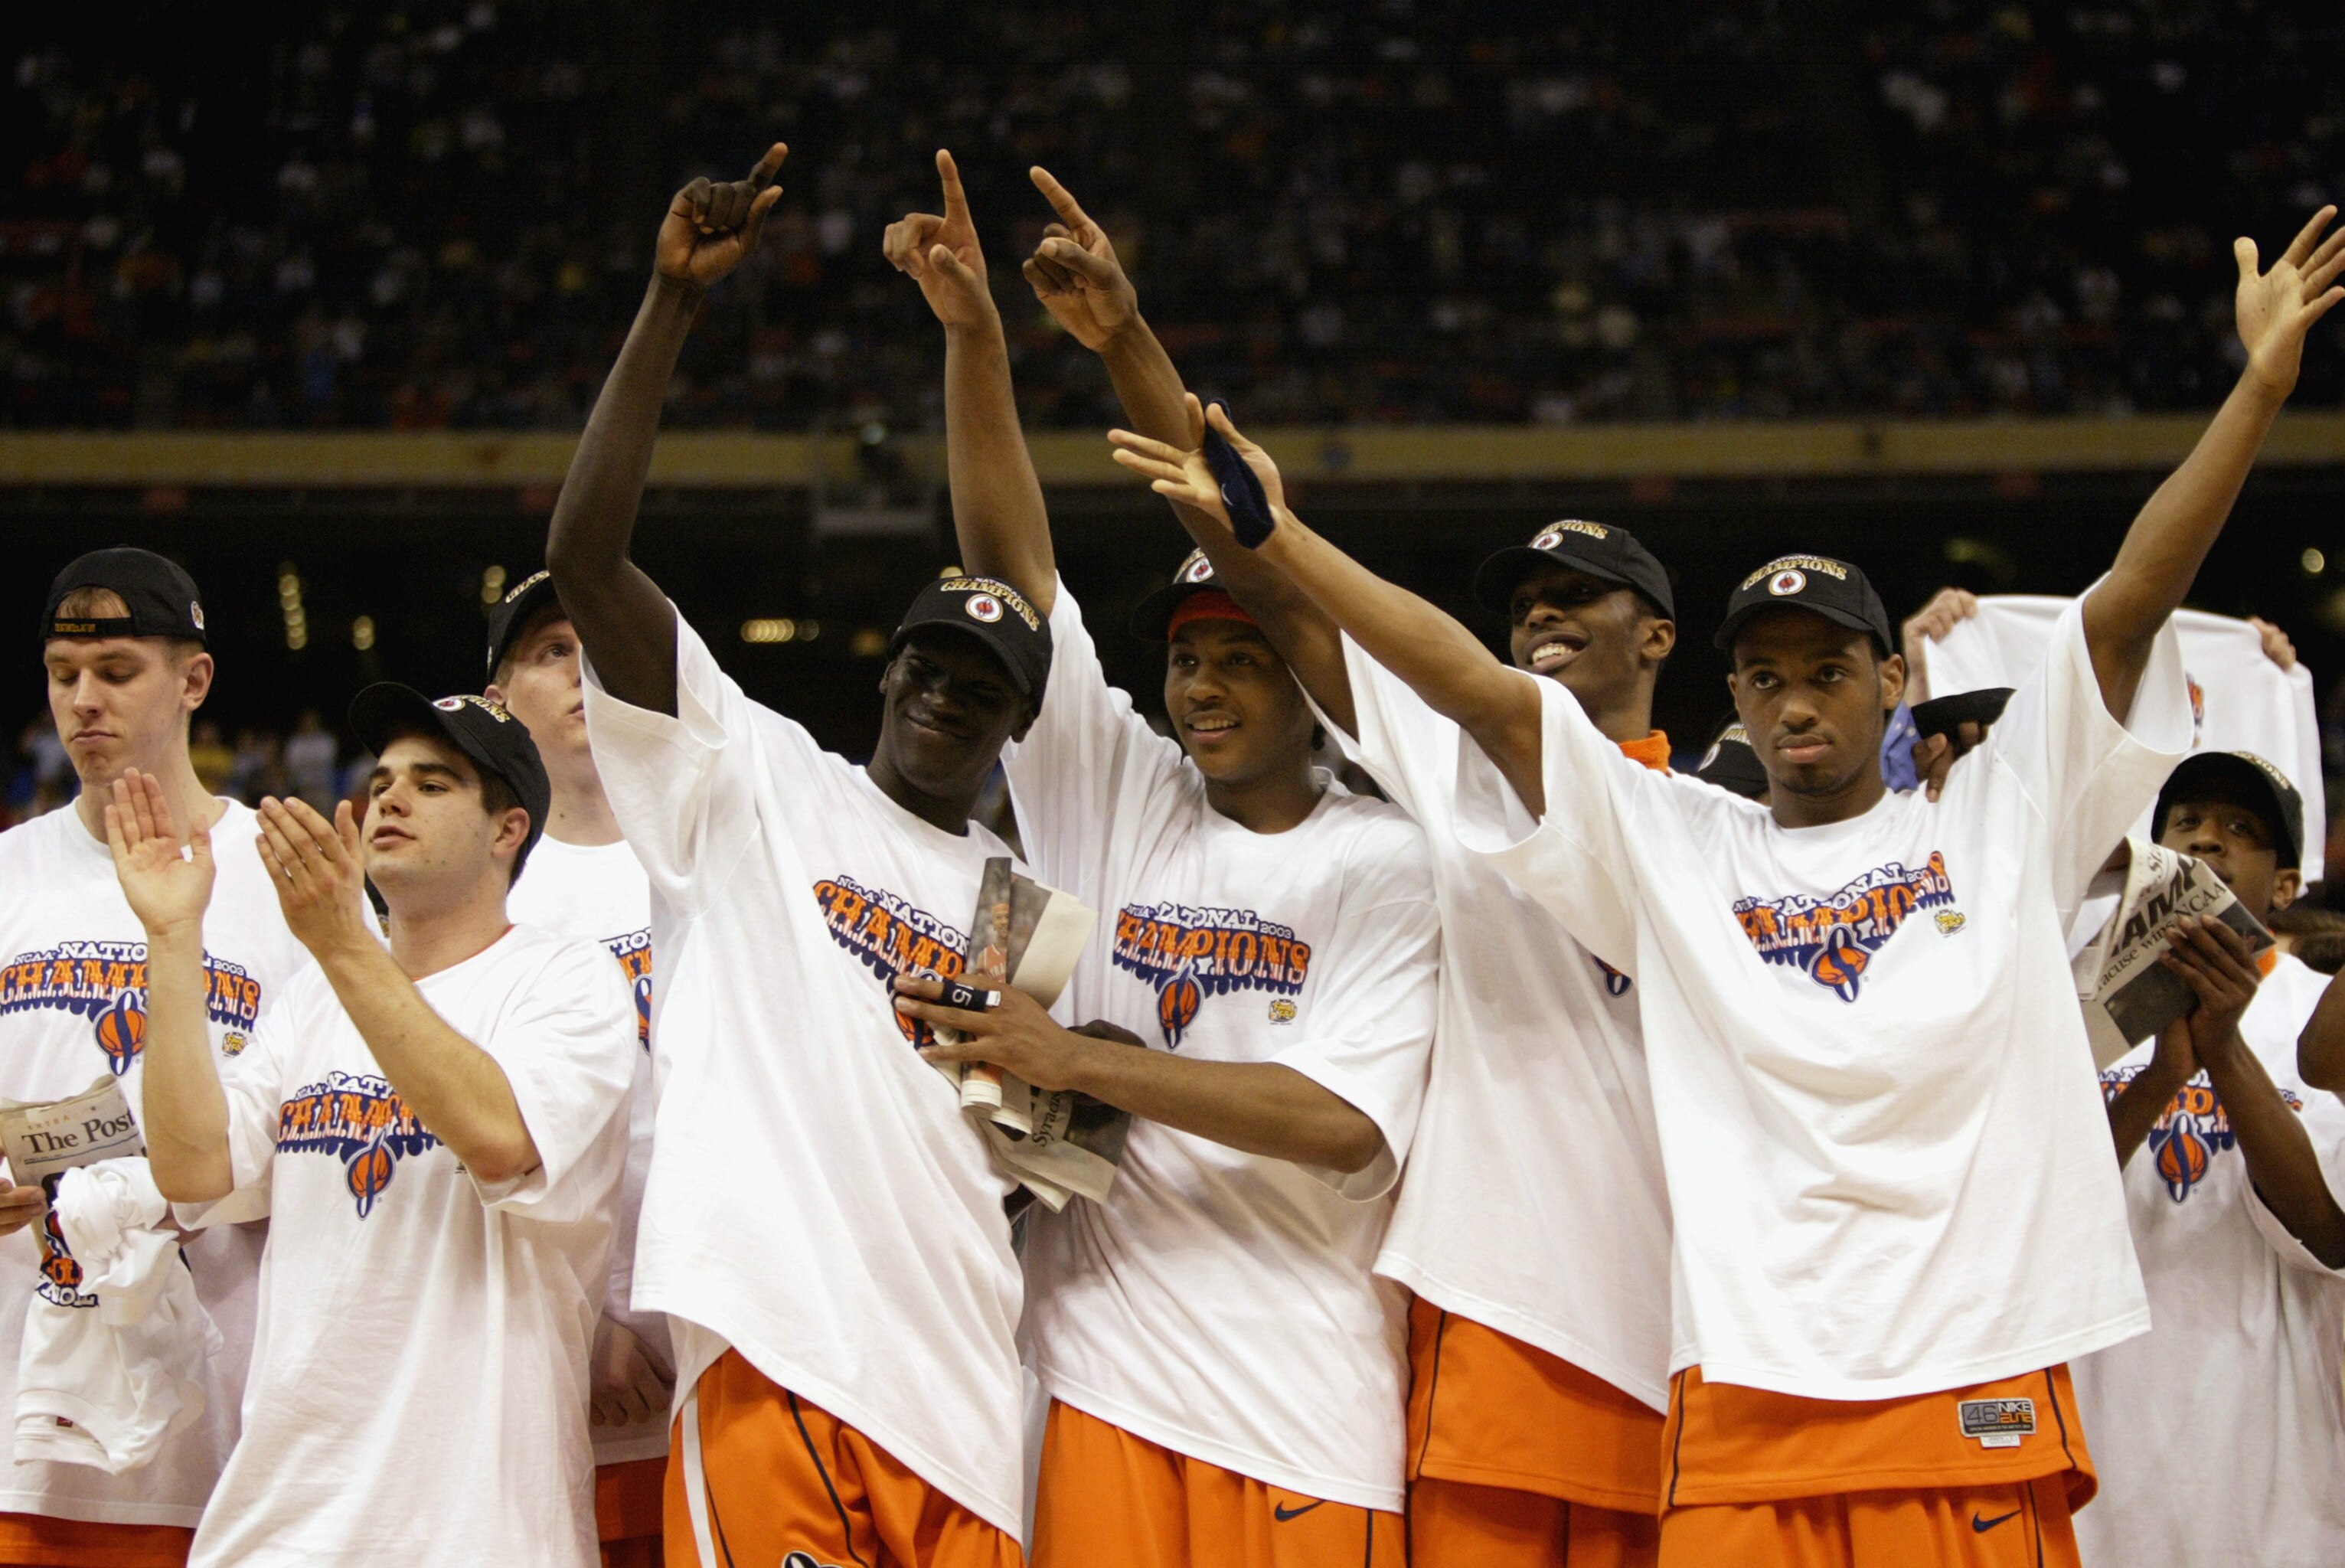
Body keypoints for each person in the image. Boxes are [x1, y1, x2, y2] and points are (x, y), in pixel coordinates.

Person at [1109, 205, 2344, 1567]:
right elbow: (1471, 686)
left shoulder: (1994, 821)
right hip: (1745, 1393)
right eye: (1765, 674)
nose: (1794, 698)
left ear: (1892, 681)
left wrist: (2256, 391)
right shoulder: (1681, 840)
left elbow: (2124, 602)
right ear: (1732, 693)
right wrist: (1281, 541)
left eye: (1828, 668)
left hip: (1971, 1369)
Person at [1017, 165, 1677, 1563]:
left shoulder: (1724, 820)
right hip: (1488, 1326)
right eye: (1524, 607)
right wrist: (1131, 351)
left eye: (1579, 600)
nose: (1544, 620)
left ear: (1659, 636)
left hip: (1694, 1320)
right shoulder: (1450, 802)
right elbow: (1269, 577)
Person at [882, 153, 1439, 1566]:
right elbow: (1012, 569)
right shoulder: (1123, 791)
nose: (1199, 687)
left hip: (1307, 1403)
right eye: (1184, 659)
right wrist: (974, 344)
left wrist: (1077, 1060)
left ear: (1307, 677)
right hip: (1100, 1381)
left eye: (1241, 657)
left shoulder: (1394, 860)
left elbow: (1343, 1124)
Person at [548, 142, 1052, 1568]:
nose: (943, 695)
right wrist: (668, 311)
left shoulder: (1018, 907)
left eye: (979, 686)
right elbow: (586, 559)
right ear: (887, 671)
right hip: (777, 1343)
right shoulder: (756, 776)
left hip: (956, 1375)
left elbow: (1024, 1144)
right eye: (926, 664)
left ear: (1018, 720)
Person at [108, 683, 636, 1567]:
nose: (390, 796)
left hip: (475, 1530)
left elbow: (502, 1136)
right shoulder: (314, 996)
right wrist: (171, 934)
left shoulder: (565, 983)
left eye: (434, 783)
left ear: (508, 829)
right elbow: (194, 1169)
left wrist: (346, 941)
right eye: (384, 778)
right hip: (278, 1523)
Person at [0, 549, 304, 1567]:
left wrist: (166, 1189)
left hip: (222, 1427)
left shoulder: (290, 878)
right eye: (61, 673)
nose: (82, 700)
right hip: (18, 1417)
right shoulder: (8, 873)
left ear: (194, 679)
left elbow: (343, 1125)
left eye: (117, 671)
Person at [2073, 751, 2345, 1566]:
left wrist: (2223, 1049)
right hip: (2102, 1411)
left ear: (2287, 884)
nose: (2206, 842)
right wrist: (2159, 1077)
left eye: (2240, 829)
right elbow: (2044, 1200)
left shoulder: (2318, 1014)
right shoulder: (2069, 1000)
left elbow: (2329, 1232)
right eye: (2185, 823)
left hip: (2268, 1439)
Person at [485, 570, 668, 1568]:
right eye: (553, 652)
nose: (582, 672)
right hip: (559, 1360)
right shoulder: (478, 888)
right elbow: (462, 1142)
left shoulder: (706, 856)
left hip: (722, 1340)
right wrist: (589, 1315)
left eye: (597, 650)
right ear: (499, 695)